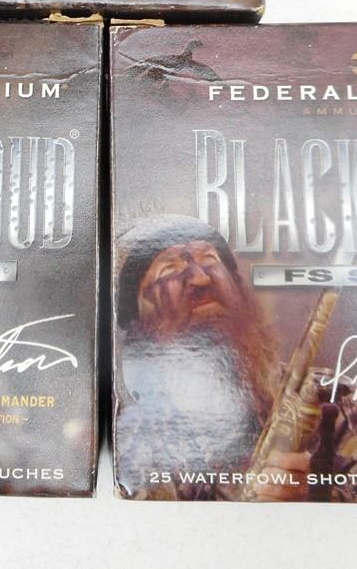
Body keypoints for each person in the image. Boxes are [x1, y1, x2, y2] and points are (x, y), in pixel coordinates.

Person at [113, 214, 309, 500]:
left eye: (209, 259)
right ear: (139, 317)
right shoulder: (122, 443)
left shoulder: (331, 407)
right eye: (169, 269)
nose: (201, 278)